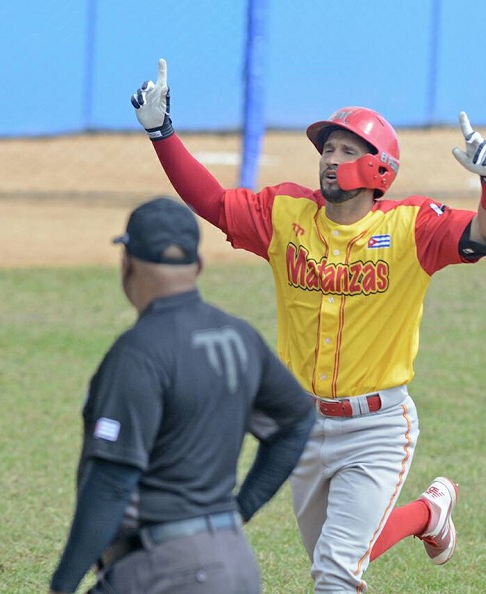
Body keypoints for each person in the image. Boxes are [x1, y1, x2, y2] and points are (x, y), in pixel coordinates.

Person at [130, 59, 486, 593]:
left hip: (378, 428)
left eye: (346, 151)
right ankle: (430, 513)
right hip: (302, 426)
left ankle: (424, 514)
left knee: (335, 572)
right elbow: (215, 203)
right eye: (328, 150)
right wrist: (161, 133)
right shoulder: (285, 215)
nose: (331, 160)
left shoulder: (412, 227)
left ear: (379, 168)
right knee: (341, 552)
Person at [47, 197, 317, 594]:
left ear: (127, 263)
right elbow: (297, 421)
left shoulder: (136, 353)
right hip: (237, 567)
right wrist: (236, 513)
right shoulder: (239, 336)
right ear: (199, 266)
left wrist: (62, 584)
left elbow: (111, 482)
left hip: (163, 573)